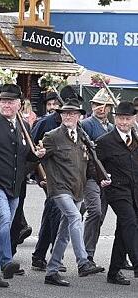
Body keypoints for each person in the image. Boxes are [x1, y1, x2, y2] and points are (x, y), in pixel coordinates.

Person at [0, 83, 45, 288]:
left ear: (19, 105)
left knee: (0, 227)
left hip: (14, 185)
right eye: (3, 101)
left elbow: (26, 154)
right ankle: (6, 261)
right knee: (4, 218)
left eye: (11, 102)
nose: (6, 105)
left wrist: (37, 155)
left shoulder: (25, 125)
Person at [41, 98, 108, 286]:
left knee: (64, 231)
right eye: (65, 113)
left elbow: (90, 162)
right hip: (59, 187)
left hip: (77, 187)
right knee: (74, 217)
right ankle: (83, 261)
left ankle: (52, 271)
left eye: (72, 113)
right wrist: (40, 177)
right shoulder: (52, 136)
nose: (68, 116)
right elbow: (35, 157)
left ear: (79, 116)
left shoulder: (83, 136)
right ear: (60, 116)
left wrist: (101, 176)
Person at [95, 101, 138, 285]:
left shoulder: (136, 140)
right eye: (120, 118)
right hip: (116, 190)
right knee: (130, 222)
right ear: (115, 118)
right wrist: (100, 178)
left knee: (123, 229)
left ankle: (114, 272)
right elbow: (93, 166)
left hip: (134, 191)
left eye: (127, 119)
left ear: (133, 119)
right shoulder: (105, 141)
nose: (123, 122)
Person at [79, 88, 115, 267]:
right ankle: (87, 255)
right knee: (95, 212)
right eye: (97, 104)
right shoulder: (85, 125)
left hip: (108, 177)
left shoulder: (112, 127)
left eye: (105, 105)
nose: (101, 108)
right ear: (91, 106)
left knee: (99, 217)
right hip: (91, 175)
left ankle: (89, 253)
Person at [30, 90, 64, 271]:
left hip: (65, 177)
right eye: (50, 105)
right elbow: (31, 148)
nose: (53, 108)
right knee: (56, 211)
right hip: (47, 175)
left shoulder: (75, 126)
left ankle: (39, 255)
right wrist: (38, 175)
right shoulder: (43, 123)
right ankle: (56, 256)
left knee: (52, 212)